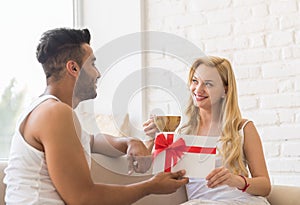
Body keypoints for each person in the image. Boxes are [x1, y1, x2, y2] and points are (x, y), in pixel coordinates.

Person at [3, 28, 188, 205]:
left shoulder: (47, 109)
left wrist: (130, 142)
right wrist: (151, 186)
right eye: (92, 64)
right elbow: (83, 198)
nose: (98, 73)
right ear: (73, 68)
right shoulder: (54, 113)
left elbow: (91, 141)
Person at [143, 56, 271, 204]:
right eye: (195, 81)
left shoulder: (242, 128)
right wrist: (152, 138)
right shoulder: (182, 133)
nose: (198, 89)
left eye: (208, 84)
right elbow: (151, 174)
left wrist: (235, 180)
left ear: (225, 90)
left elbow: (265, 186)